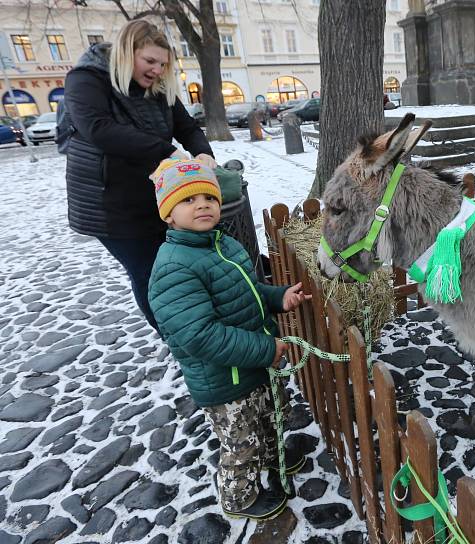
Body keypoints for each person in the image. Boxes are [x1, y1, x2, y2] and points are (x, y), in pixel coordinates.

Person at [147, 157, 310, 520]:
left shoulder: (226, 246)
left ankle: (273, 457)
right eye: (188, 200)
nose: (202, 205)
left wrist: (278, 297)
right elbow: (199, 336)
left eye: (210, 198)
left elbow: (249, 292)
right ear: (168, 215)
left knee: (269, 417)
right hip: (226, 381)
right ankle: (240, 499)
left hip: (253, 366)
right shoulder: (175, 266)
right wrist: (266, 348)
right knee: (240, 444)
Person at [64, 20, 216, 332]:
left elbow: (185, 125)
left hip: (153, 196)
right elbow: (98, 128)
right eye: (149, 61)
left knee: (178, 268)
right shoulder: (86, 79)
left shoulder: (158, 89)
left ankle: (197, 329)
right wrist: (166, 152)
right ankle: (177, 339)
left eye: (163, 64)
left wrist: (203, 152)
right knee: (149, 273)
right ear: (125, 52)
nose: (157, 70)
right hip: (109, 203)